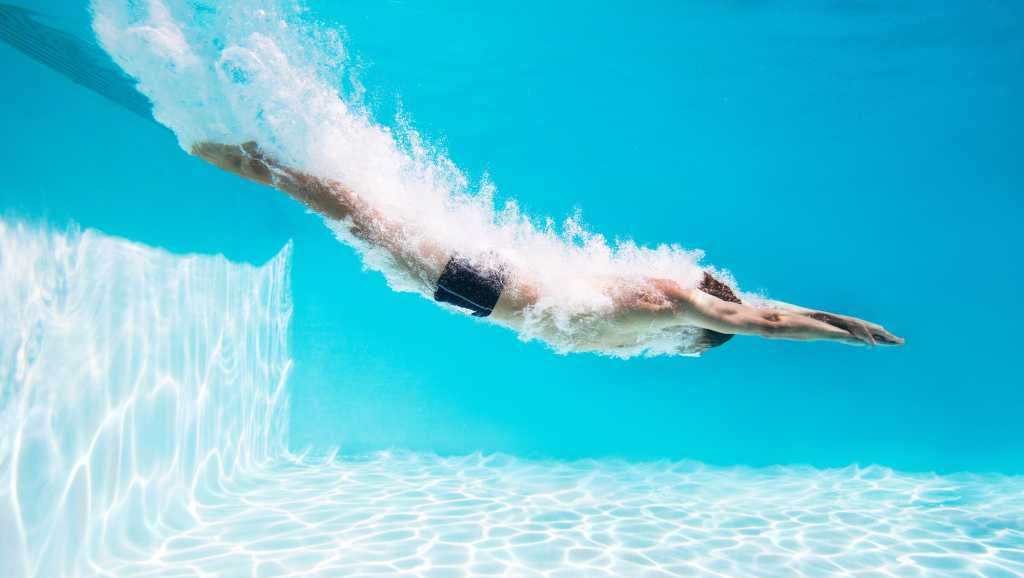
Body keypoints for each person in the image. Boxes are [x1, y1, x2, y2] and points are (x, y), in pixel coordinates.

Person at [192, 141, 904, 353]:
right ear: (707, 327)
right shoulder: (673, 309)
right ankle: (263, 166)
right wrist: (845, 332)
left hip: (493, 273)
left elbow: (762, 309)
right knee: (355, 216)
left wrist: (845, 322)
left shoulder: (671, 299)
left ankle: (278, 166)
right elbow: (766, 320)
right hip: (487, 287)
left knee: (367, 215)